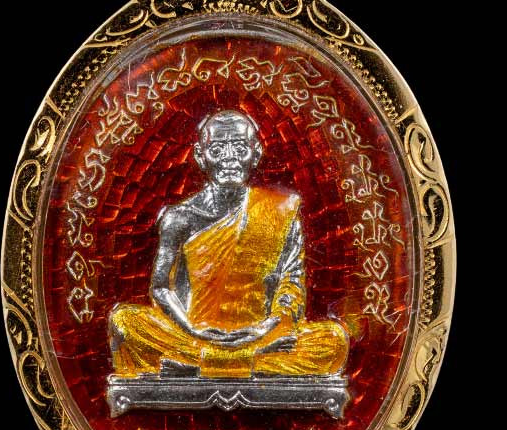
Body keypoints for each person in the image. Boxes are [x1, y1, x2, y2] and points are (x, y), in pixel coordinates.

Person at [109, 110, 348, 379]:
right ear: (200, 156)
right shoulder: (179, 218)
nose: (229, 158)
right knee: (125, 322)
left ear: (256, 154)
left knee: (333, 339)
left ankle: (203, 366)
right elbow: (161, 288)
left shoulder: (280, 210)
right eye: (217, 149)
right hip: (195, 335)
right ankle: (243, 362)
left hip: (260, 335)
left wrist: (265, 327)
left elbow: (291, 283)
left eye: (240, 148)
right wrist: (192, 329)